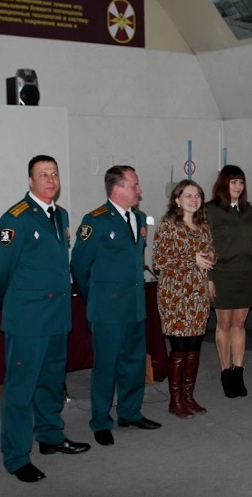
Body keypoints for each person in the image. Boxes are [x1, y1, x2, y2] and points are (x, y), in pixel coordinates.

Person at [0, 155, 90, 484]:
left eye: (54, 174)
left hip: (57, 317)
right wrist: (8, 303)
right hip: (28, 320)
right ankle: (17, 457)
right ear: (30, 181)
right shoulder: (14, 219)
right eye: (43, 174)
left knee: (51, 383)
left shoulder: (61, 215)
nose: (50, 179)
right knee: (20, 391)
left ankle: (50, 436)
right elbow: (0, 269)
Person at [70, 165, 161, 446]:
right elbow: (79, 265)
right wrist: (95, 298)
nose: (140, 190)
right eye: (135, 185)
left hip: (135, 306)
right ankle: (100, 421)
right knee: (106, 367)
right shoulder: (95, 220)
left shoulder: (139, 218)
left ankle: (130, 412)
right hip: (107, 309)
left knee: (134, 363)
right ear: (117, 188)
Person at [152, 180, 215, 418]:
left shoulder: (203, 225)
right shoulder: (168, 225)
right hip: (175, 295)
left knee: (194, 347)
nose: (194, 200)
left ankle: (189, 396)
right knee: (179, 348)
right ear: (177, 200)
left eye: (198, 195)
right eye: (188, 195)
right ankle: (175, 400)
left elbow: (210, 253)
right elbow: (159, 260)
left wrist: (211, 256)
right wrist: (192, 258)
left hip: (198, 294)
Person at [205, 165, 252, 398]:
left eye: (241, 182)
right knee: (224, 324)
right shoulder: (210, 210)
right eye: (233, 182)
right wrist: (209, 278)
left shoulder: (246, 210)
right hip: (222, 273)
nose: (238, 187)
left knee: (240, 324)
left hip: (245, 273)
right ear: (223, 184)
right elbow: (205, 245)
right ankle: (225, 371)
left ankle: (238, 371)